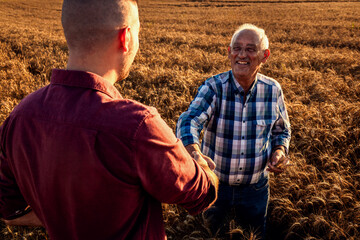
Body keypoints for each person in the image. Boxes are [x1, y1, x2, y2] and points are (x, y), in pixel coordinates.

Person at [0, 0, 218, 239]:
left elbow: (8, 212)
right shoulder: (138, 127)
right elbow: (201, 194)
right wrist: (199, 161)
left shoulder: (19, 117)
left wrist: (57, 216)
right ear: (126, 38)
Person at [176, 23, 291, 239]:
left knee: (256, 234)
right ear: (229, 53)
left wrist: (279, 151)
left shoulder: (273, 90)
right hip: (215, 187)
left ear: (264, 56)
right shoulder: (214, 87)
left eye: (250, 49)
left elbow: (281, 130)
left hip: (256, 188)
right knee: (210, 233)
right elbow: (188, 120)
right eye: (237, 48)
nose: (242, 55)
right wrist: (195, 153)